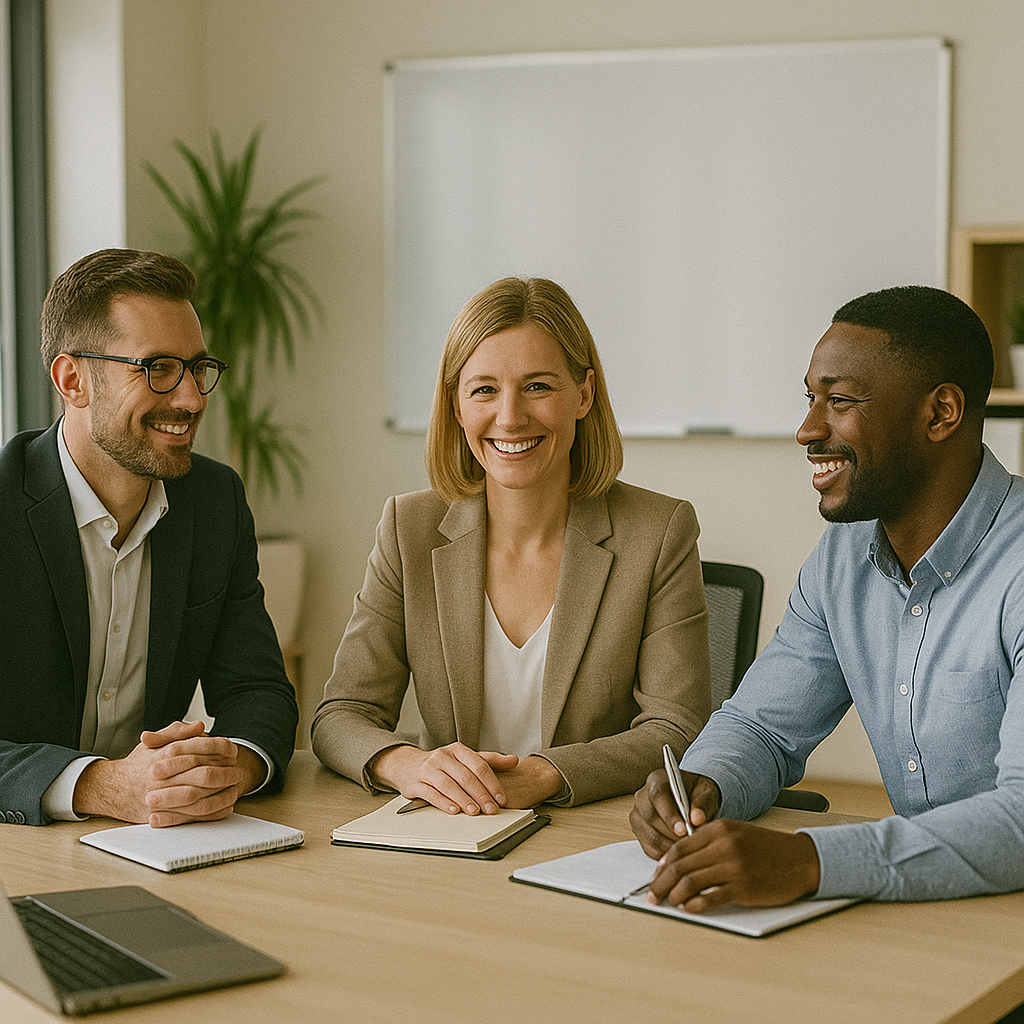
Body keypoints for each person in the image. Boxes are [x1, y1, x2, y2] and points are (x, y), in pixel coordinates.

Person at [630, 284, 1024, 910]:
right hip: (940, 909)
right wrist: (706, 785)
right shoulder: (843, 559)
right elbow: (761, 727)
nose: (807, 429)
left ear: (941, 412)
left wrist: (811, 860)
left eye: (840, 401)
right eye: (811, 398)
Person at [312, 277, 710, 812]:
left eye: (538, 386)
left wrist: (548, 774)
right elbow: (341, 715)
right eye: (484, 389)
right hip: (452, 829)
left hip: (590, 831)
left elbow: (677, 728)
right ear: (457, 407)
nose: (510, 416)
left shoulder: (659, 531)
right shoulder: (409, 528)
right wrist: (408, 764)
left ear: (584, 394)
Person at [0, 248, 298, 827]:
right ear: (73, 379)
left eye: (196, 368)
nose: (191, 398)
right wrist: (98, 785)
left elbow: (258, 690)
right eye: (157, 368)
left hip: (158, 842)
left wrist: (227, 764)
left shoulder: (214, 503)